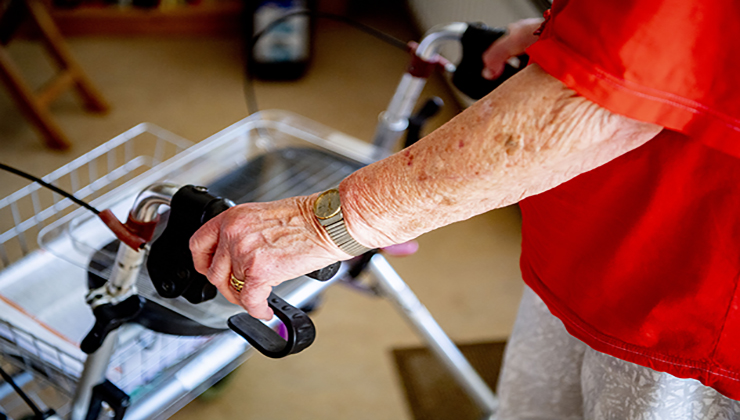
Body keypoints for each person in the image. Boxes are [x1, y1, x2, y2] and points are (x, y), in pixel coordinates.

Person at [190, 0, 740, 417]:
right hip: (592, 251)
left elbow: (606, 98)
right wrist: (569, 32)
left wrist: (325, 224)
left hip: (684, 306)